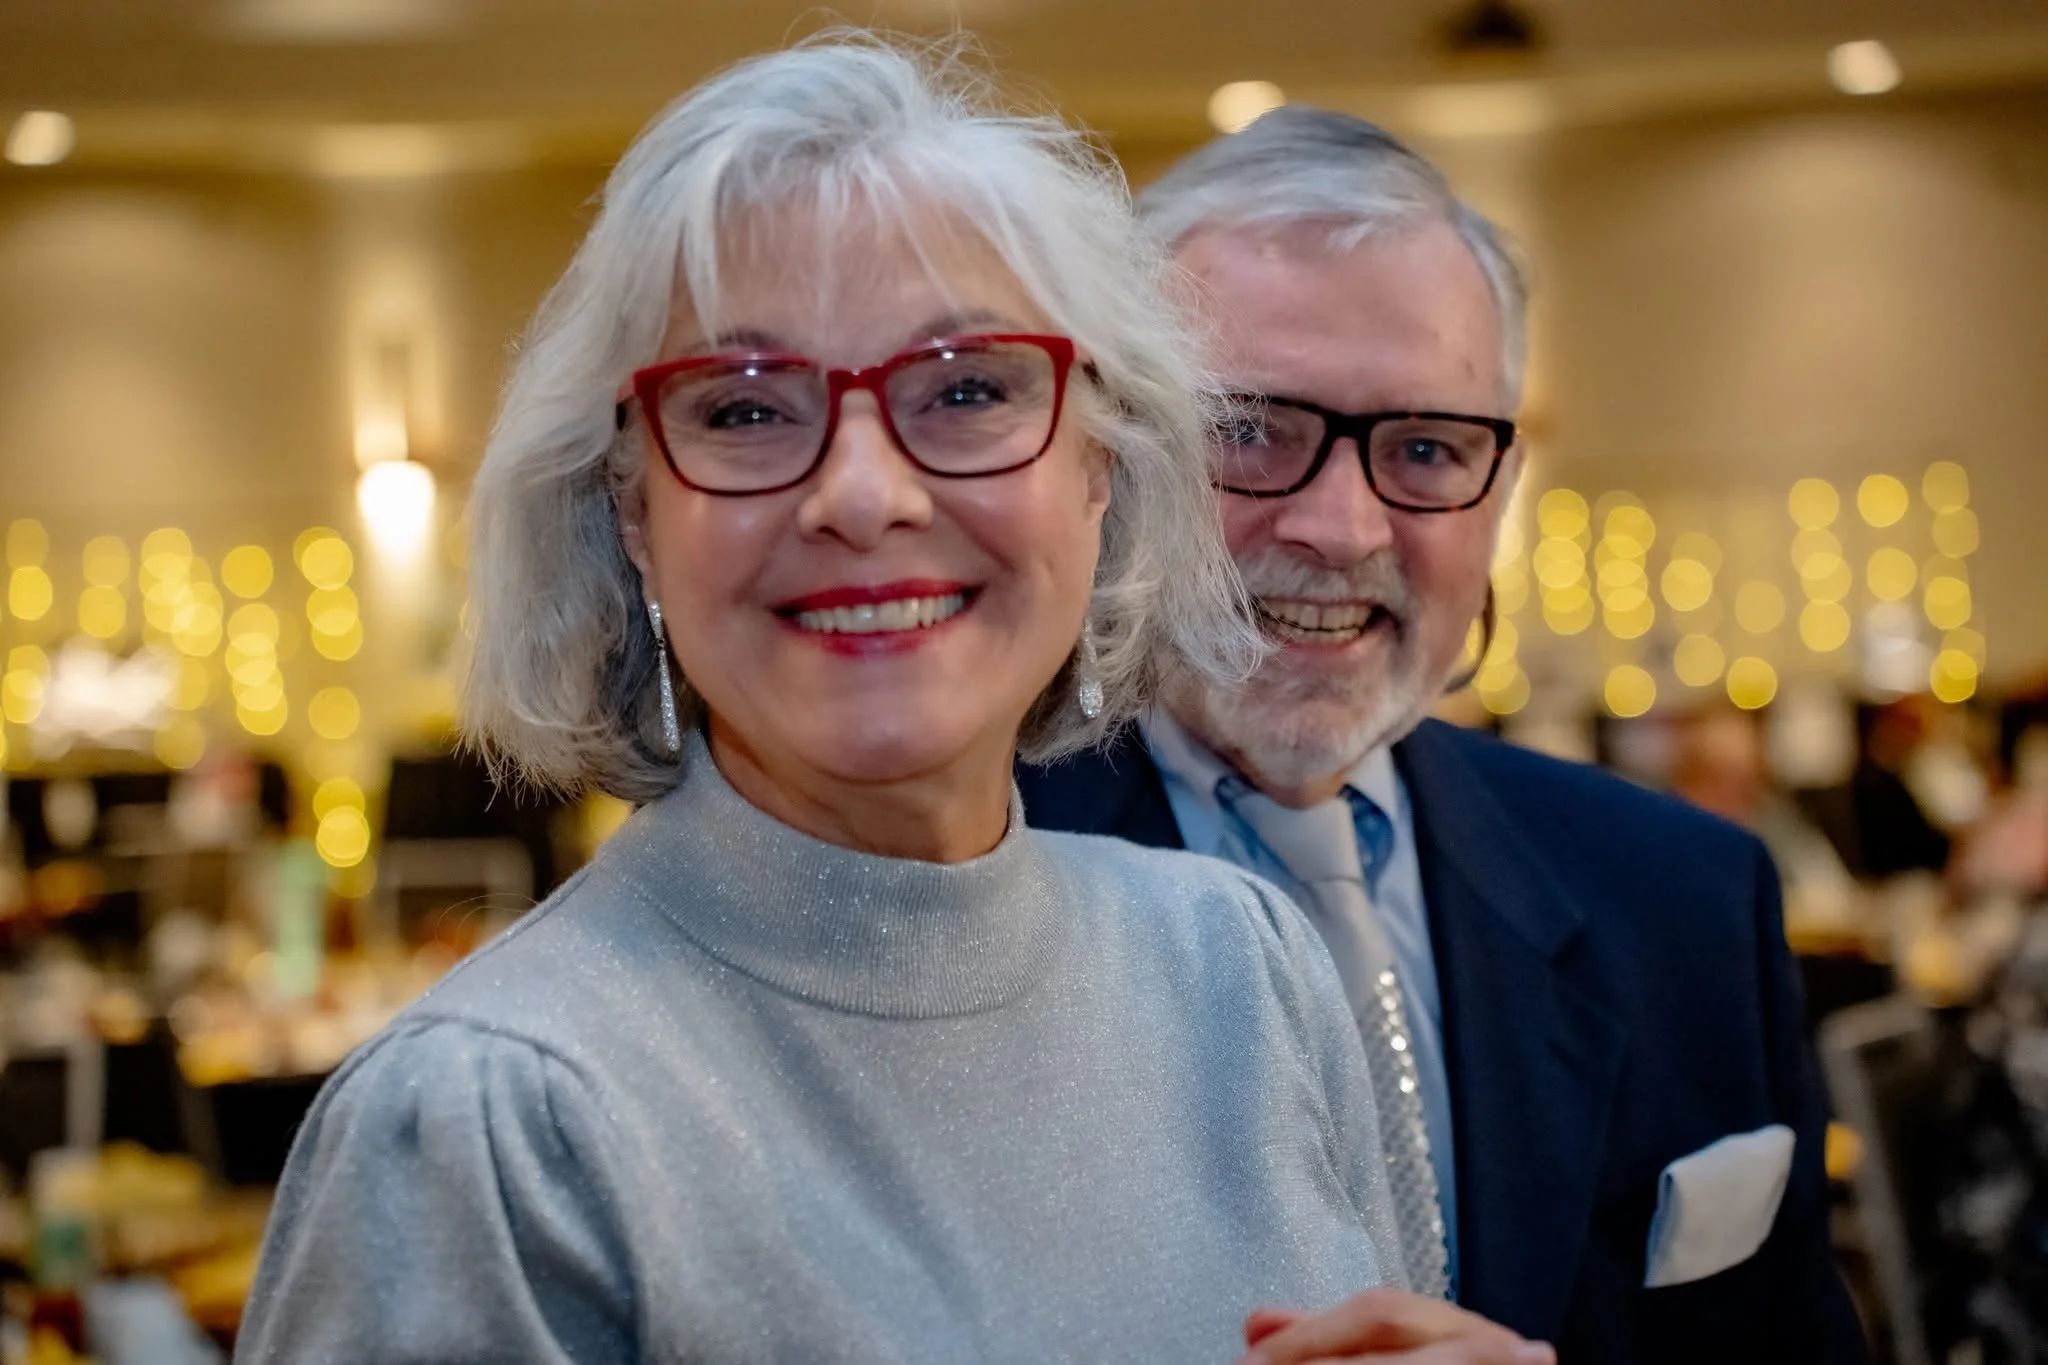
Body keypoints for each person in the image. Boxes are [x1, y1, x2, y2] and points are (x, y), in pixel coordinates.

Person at [229, 37, 1502, 1364]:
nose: (862, 493)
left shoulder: (1243, 968)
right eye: (744, 408)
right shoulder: (495, 1121)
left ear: (1100, 469)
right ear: (633, 512)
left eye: (964, 389)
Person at [1020, 108, 1870, 1364]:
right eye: (1252, 430)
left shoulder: (1684, 904)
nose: (1344, 527)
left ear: (1500, 492)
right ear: (1116, 454)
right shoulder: (949, 895)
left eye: (1424, 448)